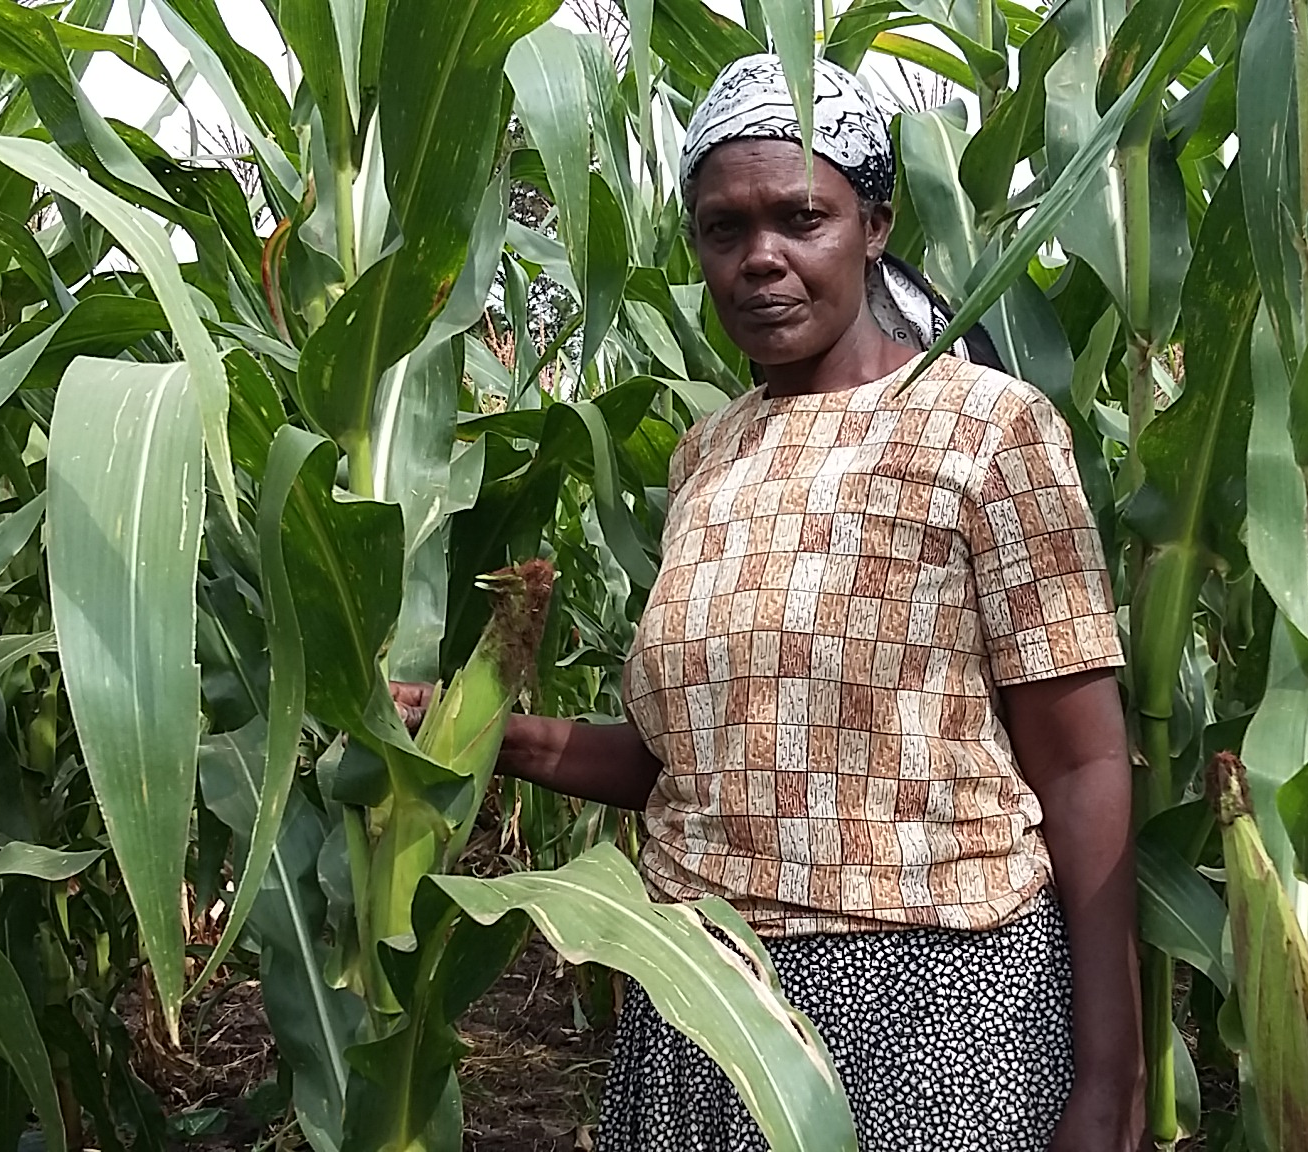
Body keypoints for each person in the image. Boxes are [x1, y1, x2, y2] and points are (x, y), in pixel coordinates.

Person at [397, 53, 1144, 1152]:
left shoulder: (988, 427)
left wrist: (1108, 1071)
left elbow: (1080, 763)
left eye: (800, 217)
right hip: (701, 994)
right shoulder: (706, 455)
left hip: (932, 1010)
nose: (760, 259)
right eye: (721, 229)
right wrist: (473, 737)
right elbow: (687, 758)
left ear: (874, 223)